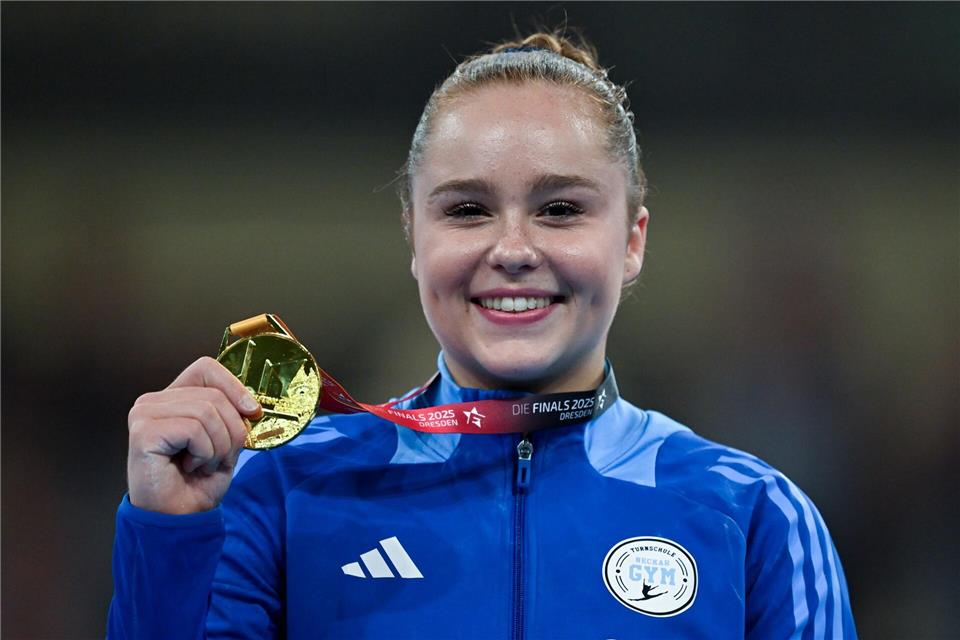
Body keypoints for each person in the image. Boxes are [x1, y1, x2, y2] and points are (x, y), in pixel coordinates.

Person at [108, 31, 857, 639]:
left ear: (632, 241)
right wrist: (167, 536)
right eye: (467, 210)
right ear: (415, 235)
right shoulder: (283, 490)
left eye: (561, 209)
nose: (513, 249)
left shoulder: (753, 518)